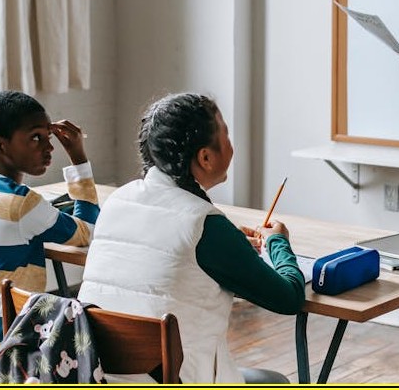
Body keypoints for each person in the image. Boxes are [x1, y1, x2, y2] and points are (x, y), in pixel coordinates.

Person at [78, 92, 305, 384]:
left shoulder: (118, 200)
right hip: (177, 378)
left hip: (98, 375)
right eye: (226, 135)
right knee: (275, 381)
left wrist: (230, 243)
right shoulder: (205, 226)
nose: (231, 146)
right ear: (206, 157)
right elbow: (289, 299)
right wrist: (278, 243)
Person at [0, 90, 100, 373]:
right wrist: (78, 159)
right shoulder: (25, 204)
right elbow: (88, 232)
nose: (49, 148)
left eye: (48, 137)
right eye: (35, 138)